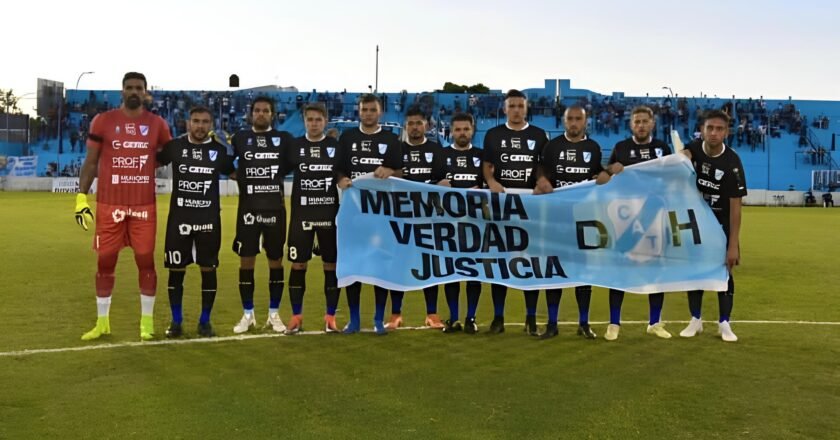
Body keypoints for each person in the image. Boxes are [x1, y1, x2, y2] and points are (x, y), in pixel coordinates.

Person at [75, 72, 172, 340]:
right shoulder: (103, 121)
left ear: (145, 92)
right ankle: (102, 322)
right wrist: (81, 197)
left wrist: (149, 163)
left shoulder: (158, 124)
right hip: (109, 205)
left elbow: (170, 152)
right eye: (129, 87)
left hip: (143, 207)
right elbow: (91, 161)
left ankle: (147, 323)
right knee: (105, 262)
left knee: (145, 262)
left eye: (138, 88)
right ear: (122, 91)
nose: (133, 91)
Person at [157, 106, 234, 338]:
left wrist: (234, 153)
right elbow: (150, 163)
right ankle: (176, 321)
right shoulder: (175, 146)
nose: (200, 126)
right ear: (188, 123)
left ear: (211, 125)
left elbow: (236, 173)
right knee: (176, 270)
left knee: (208, 269)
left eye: (205, 122)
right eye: (196, 121)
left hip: (209, 220)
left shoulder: (219, 151)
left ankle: (205, 321)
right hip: (179, 219)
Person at [601, 106, 673, 341]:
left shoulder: (662, 149)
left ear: (652, 124)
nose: (641, 125)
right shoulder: (621, 148)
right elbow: (605, 177)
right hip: (625, 218)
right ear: (631, 125)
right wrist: (612, 169)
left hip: (654, 218)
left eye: (645, 121)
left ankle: (654, 322)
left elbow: (671, 179)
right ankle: (614, 323)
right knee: (619, 271)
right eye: (637, 122)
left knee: (656, 272)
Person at [335, 94, 403, 334]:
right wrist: (341, 179)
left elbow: (401, 173)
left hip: (380, 213)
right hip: (353, 213)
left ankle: (377, 318)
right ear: (359, 111)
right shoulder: (348, 137)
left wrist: (390, 170)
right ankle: (354, 319)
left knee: (378, 264)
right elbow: (338, 168)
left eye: (372, 109)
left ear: (380, 112)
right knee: (353, 264)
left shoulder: (391, 139)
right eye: (364, 109)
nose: (368, 113)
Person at [533, 105, 602, 340]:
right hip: (556, 219)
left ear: (585, 122)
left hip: (583, 219)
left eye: (578, 119)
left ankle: (584, 323)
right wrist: (541, 178)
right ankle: (552, 324)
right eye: (570, 119)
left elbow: (596, 176)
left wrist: (604, 174)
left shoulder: (592, 148)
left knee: (583, 273)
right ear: (564, 121)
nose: (573, 123)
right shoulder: (553, 146)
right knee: (554, 272)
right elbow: (540, 167)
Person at [482, 89, 548, 335]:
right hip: (502, 204)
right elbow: (487, 167)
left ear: (526, 108)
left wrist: (541, 180)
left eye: (521, 106)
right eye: (512, 106)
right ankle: (498, 318)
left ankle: (530, 319)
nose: (517, 110)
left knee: (530, 262)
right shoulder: (493, 135)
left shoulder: (539, 135)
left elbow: (543, 166)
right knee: (500, 262)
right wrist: (491, 183)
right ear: (505, 109)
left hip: (530, 205)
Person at [679, 109, 747, 342]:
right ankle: (695, 320)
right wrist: (684, 154)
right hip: (695, 224)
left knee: (724, 271)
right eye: (710, 128)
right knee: (694, 270)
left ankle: (724, 323)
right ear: (702, 130)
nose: (714, 133)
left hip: (721, 225)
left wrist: (733, 245)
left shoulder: (732, 163)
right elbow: (686, 150)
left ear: (726, 133)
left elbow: (736, 207)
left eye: (719, 129)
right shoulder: (695, 148)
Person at [229, 97, 294, 334]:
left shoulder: (284, 140)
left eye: (266, 110)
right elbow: (228, 164)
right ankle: (248, 314)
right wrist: (239, 175)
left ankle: (274, 314)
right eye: (257, 110)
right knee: (246, 260)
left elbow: (289, 165)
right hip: (248, 210)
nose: (261, 114)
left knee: (275, 261)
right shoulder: (240, 138)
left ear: (273, 114)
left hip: (275, 209)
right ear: (250, 113)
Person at [284, 103, 342, 334]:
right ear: (304, 121)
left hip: (329, 214)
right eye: (310, 119)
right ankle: (296, 316)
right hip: (302, 215)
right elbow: (277, 169)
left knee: (331, 266)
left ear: (325, 121)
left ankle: (330, 318)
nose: (314, 123)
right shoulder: (295, 147)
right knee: (298, 265)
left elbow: (343, 172)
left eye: (318, 119)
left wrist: (342, 179)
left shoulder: (334, 147)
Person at [386, 106, 445, 330]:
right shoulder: (395, 150)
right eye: (410, 123)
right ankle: (395, 314)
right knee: (398, 265)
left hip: (428, 218)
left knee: (428, 265)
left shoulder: (436, 150)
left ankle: (432, 314)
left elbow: (442, 183)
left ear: (427, 126)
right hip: (400, 217)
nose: (414, 127)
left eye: (419, 123)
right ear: (405, 126)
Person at [437, 113, 484, 334]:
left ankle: (471, 317)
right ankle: (454, 318)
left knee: (474, 272)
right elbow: (429, 188)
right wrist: (439, 184)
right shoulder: (441, 155)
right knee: (451, 272)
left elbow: (491, 187)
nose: (462, 133)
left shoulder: (482, 156)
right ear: (451, 131)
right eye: (458, 129)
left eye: (466, 129)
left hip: (476, 224)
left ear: (472, 130)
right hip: (448, 224)